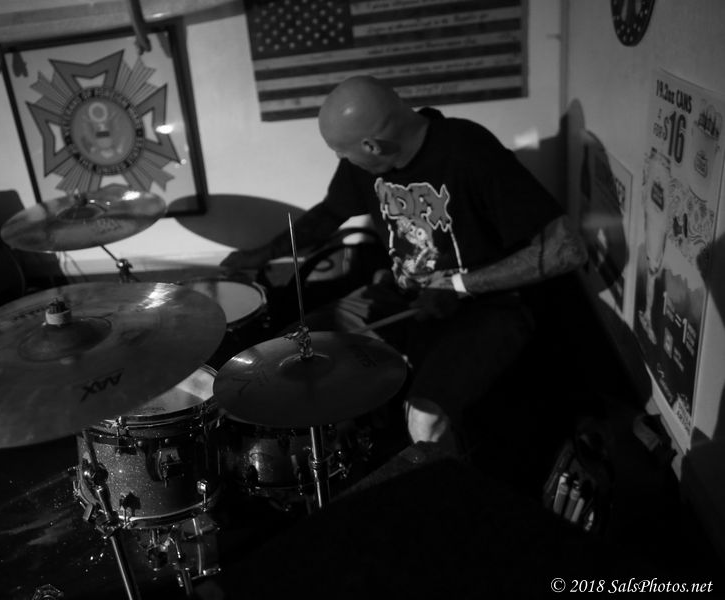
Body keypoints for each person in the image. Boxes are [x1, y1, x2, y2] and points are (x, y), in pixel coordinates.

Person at [221, 76, 587, 454]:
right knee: (286, 352)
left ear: (372, 145)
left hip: (486, 306)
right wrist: (261, 254)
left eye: (342, 153)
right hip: (402, 296)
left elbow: (567, 250)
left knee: (425, 419)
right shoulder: (367, 163)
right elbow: (329, 214)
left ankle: (448, 486)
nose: (342, 160)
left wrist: (459, 286)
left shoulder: (469, 151)